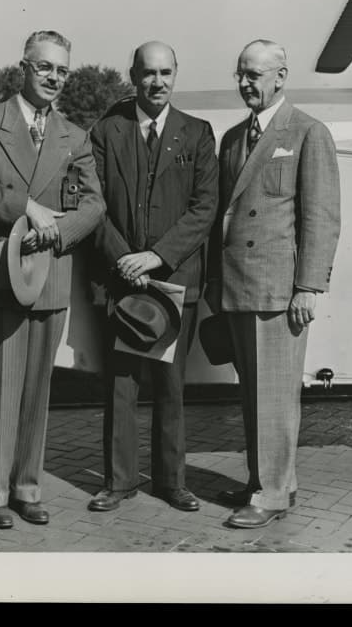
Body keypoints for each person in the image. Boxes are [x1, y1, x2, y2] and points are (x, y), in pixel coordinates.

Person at [0, 30, 105, 529]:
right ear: (24, 67)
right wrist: (27, 209)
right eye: (45, 68)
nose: (55, 79)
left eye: (63, 70)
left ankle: (26, 487)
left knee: (37, 393)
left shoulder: (74, 136)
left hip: (49, 275)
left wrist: (58, 233)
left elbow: (94, 204)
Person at [205, 39, 340, 529]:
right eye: (241, 74)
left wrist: (308, 287)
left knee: (276, 396)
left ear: (281, 77)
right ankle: (270, 480)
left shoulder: (307, 132)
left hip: (280, 291)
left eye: (255, 75)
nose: (245, 83)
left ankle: (271, 494)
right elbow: (225, 217)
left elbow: (321, 218)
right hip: (240, 286)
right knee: (253, 395)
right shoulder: (234, 137)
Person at [87, 42, 218, 514]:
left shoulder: (199, 134)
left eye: (165, 73)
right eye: (147, 73)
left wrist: (156, 258)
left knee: (171, 387)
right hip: (121, 280)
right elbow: (93, 205)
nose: (156, 82)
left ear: (176, 75)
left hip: (174, 282)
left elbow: (204, 209)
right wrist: (127, 259)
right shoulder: (106, 131)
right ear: (132, 76)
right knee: (121, 388)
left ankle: (172, 481)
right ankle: (118, 482)